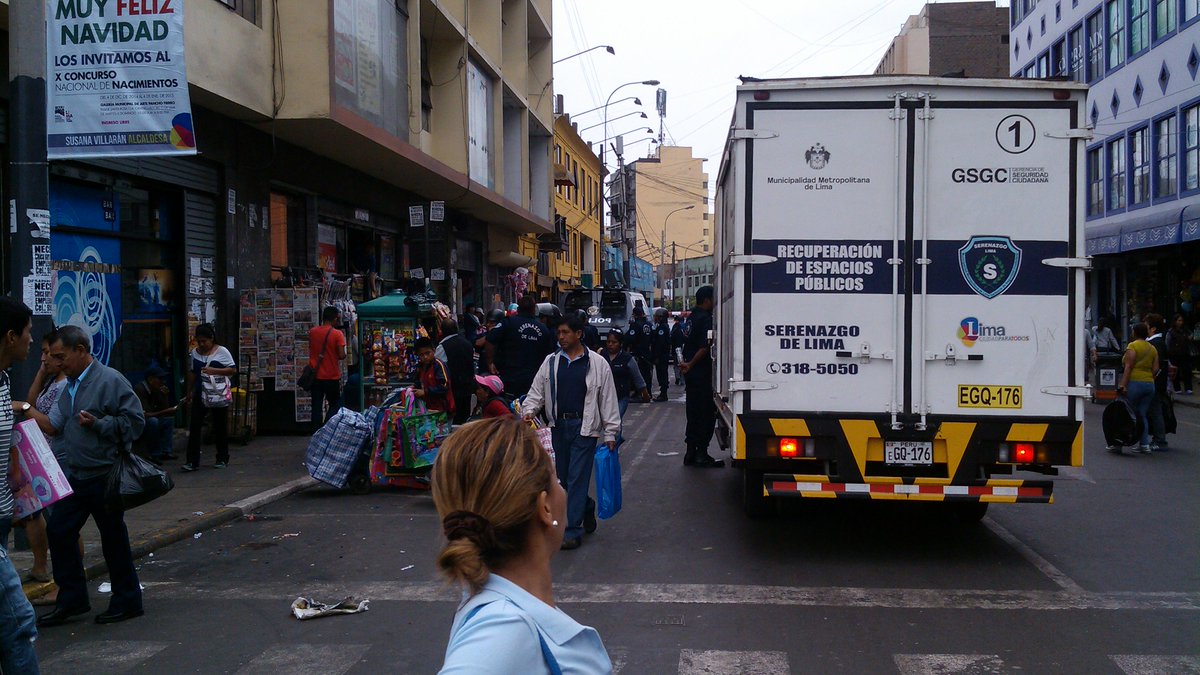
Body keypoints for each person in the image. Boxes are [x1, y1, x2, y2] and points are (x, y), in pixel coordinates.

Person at [432, 418, 612, 672]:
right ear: (545, 507)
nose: (563, 490)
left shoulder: (500, 608)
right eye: (556, 479)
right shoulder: (504, 627)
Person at [39, 324, 145, 627]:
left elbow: (135, 422)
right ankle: (72, 599)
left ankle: (127, 600)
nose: (57, 364)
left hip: (104, 473)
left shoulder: (110, 380)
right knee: (59, 531)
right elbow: (57, 424)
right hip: (77, 473)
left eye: (62, 357)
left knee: (113, 537)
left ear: (81, 351)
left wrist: (100, 425)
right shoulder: (68, 385)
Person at [521, 315, 621, 550]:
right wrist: (528, 411)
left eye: (565, 333)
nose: (561, 337)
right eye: (559, 333)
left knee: (577, 478)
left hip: (584, 428)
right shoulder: (551, 362)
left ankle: (572, 529)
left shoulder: (597, 364)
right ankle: (585, 506)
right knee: (564, 480)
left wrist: (611, 433)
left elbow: (607, 399)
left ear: (579, 334)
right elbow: (537, 390)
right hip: (559, 426)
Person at [0, 297, 41, 670]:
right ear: (10, 336)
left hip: (1, 518)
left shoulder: (4, 379)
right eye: (28, 333)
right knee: (18, 621)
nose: (32, 340)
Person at [681, 286, 724, 468]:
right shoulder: (706, 319)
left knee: (692, 413)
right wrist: (691, 363)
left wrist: (687, 365)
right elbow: (705, 347)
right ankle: (701, 453)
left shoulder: (691, 318)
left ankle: (690, 452)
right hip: (701, 374)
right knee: (705, 414)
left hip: (691, 375)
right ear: (707, 300)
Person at [184, 323, 236, 471]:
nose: (201, 344)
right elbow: (193, 373)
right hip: (201, 393)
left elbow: (232, 370)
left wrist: (213, 370)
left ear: (211, 339)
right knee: (194, 426)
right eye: (199, 341)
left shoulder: (222, 352)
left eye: (204, 341)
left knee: (220, 426)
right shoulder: (195, 353)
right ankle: (192, 461)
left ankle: (222, 457)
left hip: (217, 394)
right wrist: (189, 391)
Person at [485, 295, 555, 398]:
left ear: (518, 309)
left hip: (509, 377)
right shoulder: (543, 330)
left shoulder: (508, 323)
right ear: (533, 310)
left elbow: (490, 339)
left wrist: (490, 362)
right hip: (534, 380)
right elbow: (549, 355)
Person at [1111, 322, 1159, 456]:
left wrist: (1123, 385)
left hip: (1135, 383)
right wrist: (1148, 378)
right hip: (1149, 384)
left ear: (1135, 333)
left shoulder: (1132, 346)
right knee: (1142, 414)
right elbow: (1155, 369)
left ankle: (1118, 444)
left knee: (1125, 413)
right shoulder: (1152, 348)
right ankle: (1144, 445)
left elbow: (1129, 367)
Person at [601, 331, 649, 449]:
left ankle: (613, 447)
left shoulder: (627, 359)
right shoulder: (601, 356)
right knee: (605, 421)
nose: (611, 345)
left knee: (616, 420)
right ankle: (617, 438)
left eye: (614, 342)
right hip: (604, 396)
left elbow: (638, 378)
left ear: (620, 344)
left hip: (621, 396)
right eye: (608, 342)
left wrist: (645, 394)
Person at [308, 307, 348, 426]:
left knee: (316, 406)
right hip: (331, 376)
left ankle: (316, 431)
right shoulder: (337, 334)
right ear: (335, 318)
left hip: (315, 376)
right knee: (335, 403)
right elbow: (341, 355)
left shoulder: (313, 332)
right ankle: (327, 427)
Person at [436, 319, 476, 424]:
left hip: (453, 388)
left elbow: (439, 366)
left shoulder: (443, 346)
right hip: (467, 386)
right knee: (465, 416)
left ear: (441, 331)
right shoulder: (467, 343)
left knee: (454, 418)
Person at [136, 365, 177, 464]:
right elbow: (145, 415)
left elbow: (165, 409)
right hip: (140, 422)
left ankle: (166, 451)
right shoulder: (140, 390)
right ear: (150, 379)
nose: (162, 382)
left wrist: (165, 396)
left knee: (168, 420)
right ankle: (155, 454)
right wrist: (164, 412)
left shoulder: (156, 389)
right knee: (153, 422)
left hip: (152, 417)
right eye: (160, 379)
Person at [415, 337, 455, 415]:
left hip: (443, 409)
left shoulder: (439, 365)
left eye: (427, 353)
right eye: (421, 355)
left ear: (433, 351)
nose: (425, 357)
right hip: (429, 408)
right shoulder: (420, 367)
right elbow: (418, 382)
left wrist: (425, 392)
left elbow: (444, 386)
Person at [624, 306, 653, 398]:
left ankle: (640, 393)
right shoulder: (649, 324)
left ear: (635, 315)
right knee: (647, 374)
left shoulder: (636, 325)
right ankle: (647, 392)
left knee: (638, 374)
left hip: (639, 353)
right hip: (647, 353)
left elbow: (629, 338)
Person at [1167, 314, 1193, 394]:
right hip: (1175, 354)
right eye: (1178, 320)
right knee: (1176, 372)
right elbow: (1167, 343)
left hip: (1184, 353)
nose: (1180, 322)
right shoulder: (1171, 331)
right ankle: (1177, 388)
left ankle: (1188, 387)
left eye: (1181, 320)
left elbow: (1191, 335)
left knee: (1186, 370)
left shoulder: (1185, 330)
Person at [650, 308, 672, 401]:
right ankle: (663, 392)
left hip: (662, 356)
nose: (655, 318)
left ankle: (663, 394)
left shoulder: (662, 328)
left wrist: (657, 356)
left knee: (662, 373)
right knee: (661, 373)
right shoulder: (662, 327)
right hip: (662, 355)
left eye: (657, 317)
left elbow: (660, 344)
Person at [671, 313, 687, 385]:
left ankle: (677, 377)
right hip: (682, 348)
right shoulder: (684, 327)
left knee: (676, 364)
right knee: (682, 363)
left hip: (675, 348)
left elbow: (671, 338)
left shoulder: (674, 327)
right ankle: (682, 380)